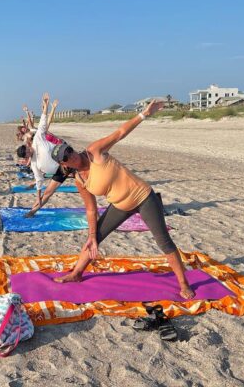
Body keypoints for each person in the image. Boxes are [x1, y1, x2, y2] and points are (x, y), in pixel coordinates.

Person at [49, 100, 195, 299]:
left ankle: (183, 283)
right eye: (66, 157)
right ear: (63, 164)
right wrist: (92, 235)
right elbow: (91, 210)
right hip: (120, 206)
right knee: (94, 238)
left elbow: (119, 133)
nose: (71, 155)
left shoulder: (94, 152)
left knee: (163, 241)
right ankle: (76, 274)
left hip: (144, 198)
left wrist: (144, 114)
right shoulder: (79, 180)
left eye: (69, 150)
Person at [16, 93, 66, 215]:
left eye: (28, 150)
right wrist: (38, 196)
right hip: (59, 172)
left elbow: (44, 121)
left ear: (27, 146)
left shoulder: (37, 138)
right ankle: (33, 211)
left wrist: (47, 106)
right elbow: (39, 180)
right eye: (27, 154)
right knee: (47, 193)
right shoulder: (33, 163)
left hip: (66, 160)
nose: (29, 152)